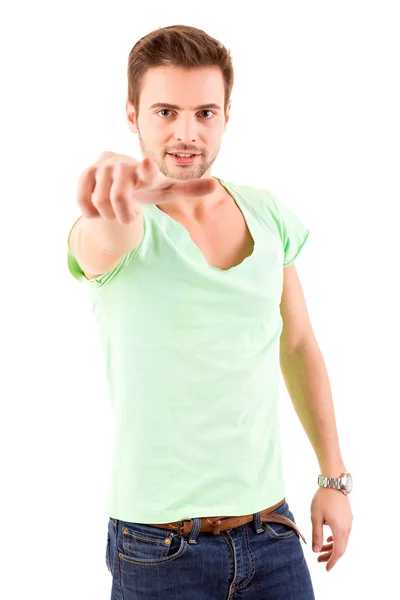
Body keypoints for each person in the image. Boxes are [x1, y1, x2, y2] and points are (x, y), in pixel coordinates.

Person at [67, 24, 353, 600]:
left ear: (226, 115)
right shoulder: (122, 224)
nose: (185, 133)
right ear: (132, 114)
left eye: (204, 113)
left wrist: (333, 478)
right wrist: (120, 197)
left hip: (272, 533)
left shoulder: (267, 213)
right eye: (165, 111)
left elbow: (297, 344)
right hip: (157, 549)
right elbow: (101, 238)